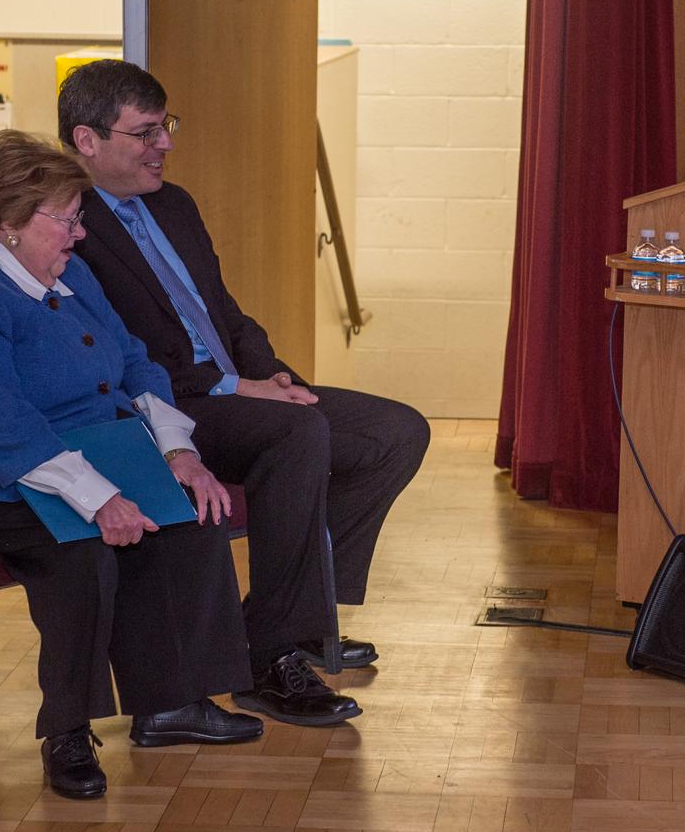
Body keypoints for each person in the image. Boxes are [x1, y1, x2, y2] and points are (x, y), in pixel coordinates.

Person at [0, 131, 262, 800]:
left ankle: (172, 702)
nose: (79, 234)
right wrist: (96, 496)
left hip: (57, 447)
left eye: (79, 217)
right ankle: (68, 731)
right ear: (11, 220)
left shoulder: (69, 271)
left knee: (186, 512)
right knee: (77, 546)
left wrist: (177, 451)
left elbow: (132, 358)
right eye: (68, 219)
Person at [56, 60, 430, 728]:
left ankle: (301, 619)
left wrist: (273, 375)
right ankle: (271, 659)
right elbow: (125, 356)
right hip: (165, 407)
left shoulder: (174, 204)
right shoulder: (65, 226)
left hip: (235, 388)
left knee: (394, 432)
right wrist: (236, 386)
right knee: (296, 434)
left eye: (164, 127)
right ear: (88, 141)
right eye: (145, 133)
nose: (164, 144)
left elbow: (224, 315)